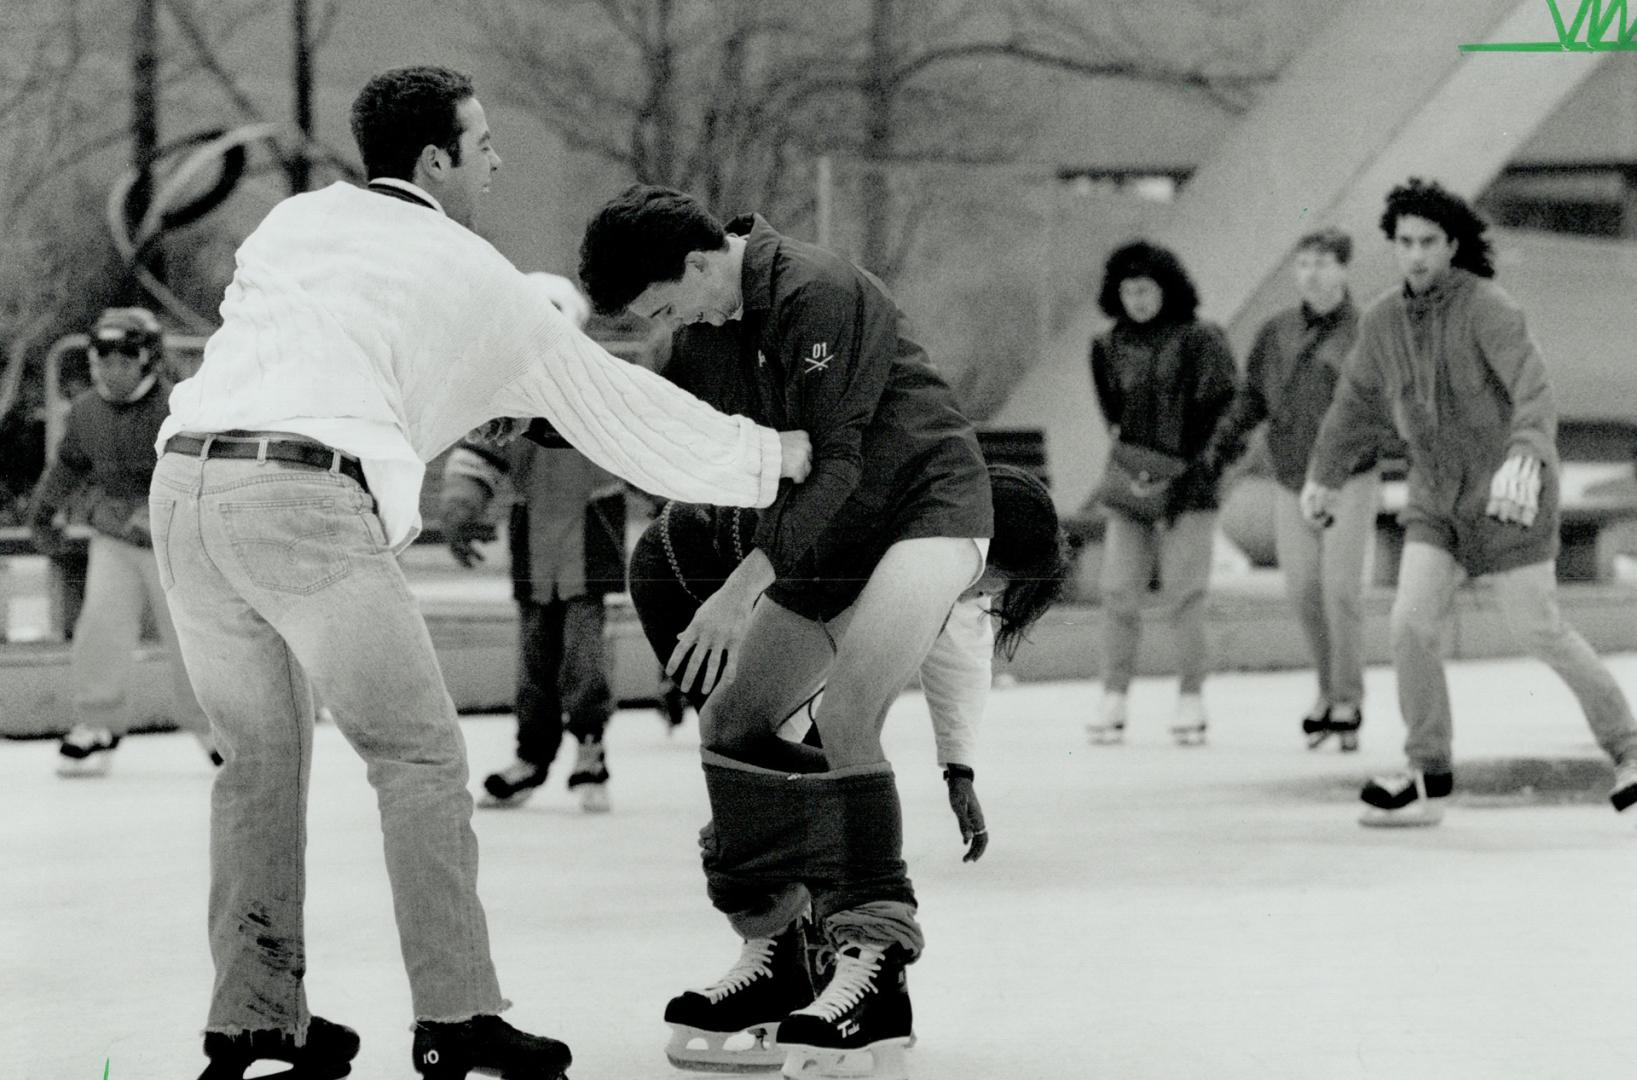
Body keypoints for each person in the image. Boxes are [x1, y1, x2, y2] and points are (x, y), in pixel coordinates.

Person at [149, 67, 810, 1080]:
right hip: (303, 502)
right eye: (482, 144)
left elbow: (348, 359)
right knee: (416, 761)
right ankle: (456, 1017)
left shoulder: (292, 224)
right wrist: (777, 460)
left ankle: (254, 1018)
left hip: (187, 489)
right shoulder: (467, 269)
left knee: (257, 767)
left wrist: (459, 407)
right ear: (434, 162)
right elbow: (617, 411)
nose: (494, 162)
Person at [578, 184, 1004, 1079]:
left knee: (848, 713)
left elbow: (835, 457)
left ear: (696, 264)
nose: (670, 322)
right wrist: (533, 418)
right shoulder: (701, 330)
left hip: (924, 511)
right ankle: (780, 953)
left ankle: (874, 969)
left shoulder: (817, 289)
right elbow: (646, 416)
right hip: (826, 533)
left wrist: (738, 594)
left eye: (664, 303)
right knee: (731, 722)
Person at [624, 465, 1069, 1072]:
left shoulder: (943, 519)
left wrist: (958, 765)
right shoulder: (936, 529)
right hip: (695, 574)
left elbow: (957, 640)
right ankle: (803, 960)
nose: (981, 598)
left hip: (709, 563)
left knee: (772, 763)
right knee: (778, 761)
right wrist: (734, 596)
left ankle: (818, 960)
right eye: (993, 586)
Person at [1302, 177, 1637, 827]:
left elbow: (1532, 392)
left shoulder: (1487, 307)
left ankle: (1628, 749)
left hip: (1509, 493)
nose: (1416, 255)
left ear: (1452, 245)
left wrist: (1524, 458)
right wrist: (1323, 474)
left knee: (1536, 628)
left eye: (1428, 242)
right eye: (1404, 243)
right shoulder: (1381, 322)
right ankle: (1427, 775)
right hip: (1435, 499)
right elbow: (1350, 407)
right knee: (1408, 623)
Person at [440, 273, 624, 813]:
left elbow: (648, 447)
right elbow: (479, 456)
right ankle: (532, 757)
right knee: (535, 663)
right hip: (534, 546)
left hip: (592, 544)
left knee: (583, 660)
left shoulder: (602, 387)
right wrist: (459, 507)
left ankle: (590, 750)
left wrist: (682, 503)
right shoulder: (507, 399)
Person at [1202, 228, 1384, 751]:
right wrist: (1221, 443)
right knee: (1302, 589)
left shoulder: (1366, 330)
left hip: (1349, 476)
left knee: (1340, 589)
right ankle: (1327, 691)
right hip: (1291, 475)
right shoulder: (1275, 332)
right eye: (1303, 263)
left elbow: (1388, 401)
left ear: (1344, 269)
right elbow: (1251, 397)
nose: (1311, 273)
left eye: (1323, 263)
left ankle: (1348, 698)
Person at [26, 307, 215, 776]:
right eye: (102, 358)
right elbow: (70, 463)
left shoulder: (177, 409)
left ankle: (214, 726)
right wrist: (44, 510)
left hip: (172, 544)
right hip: (114, 541)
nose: (112, 369)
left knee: (191, 639)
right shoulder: (87, 410)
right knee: (101, 628)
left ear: (147, 360)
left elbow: (199, 474)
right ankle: (98, 722)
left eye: (124, 358)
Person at [1084, 241, 1237, 746]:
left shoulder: (1201, 339)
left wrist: (1201, 471)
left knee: (1185, 594)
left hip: (1192, 485)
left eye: (1146, 289)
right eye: (1128, 290)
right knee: (1117, 591)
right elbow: (1114, 415)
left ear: (1167, 289)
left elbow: (1225, 412)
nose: (1138, 299)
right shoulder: (1106, 346)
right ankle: (1113, 695)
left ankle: (1191, 696)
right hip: (1133, 484)